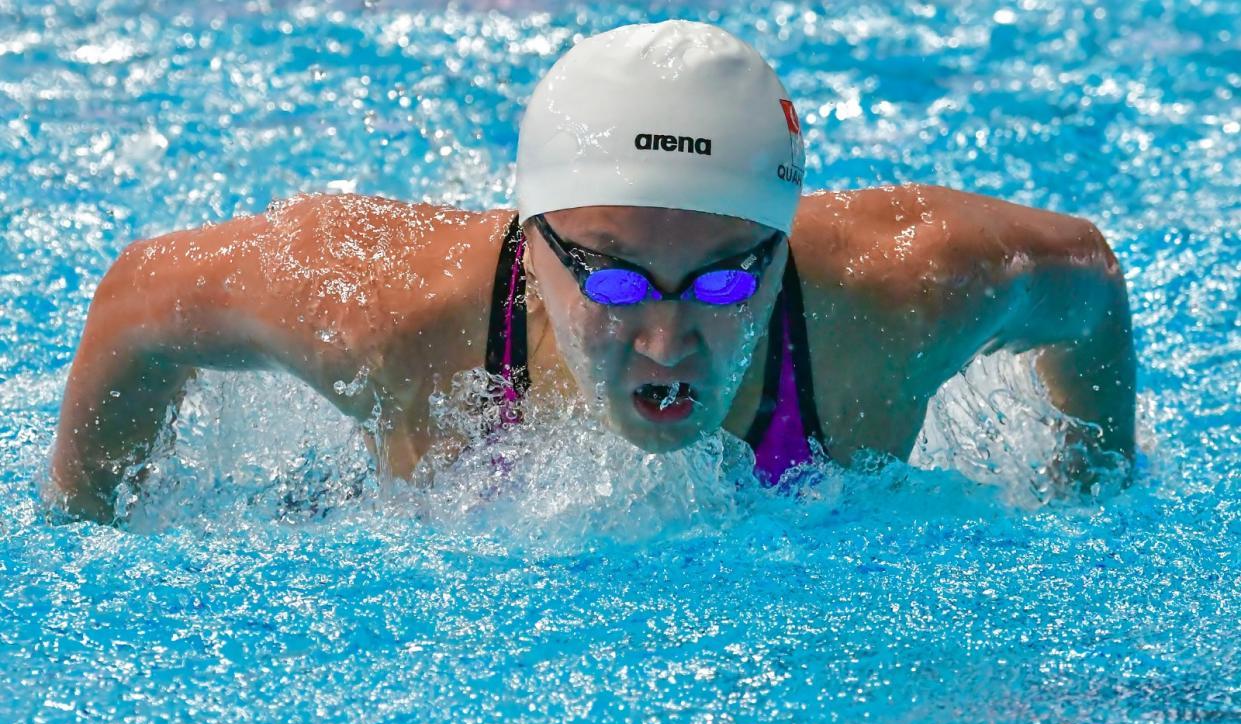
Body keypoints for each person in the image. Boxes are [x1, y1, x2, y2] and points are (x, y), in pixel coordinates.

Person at [48, 20, 1136, 523]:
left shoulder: (897, 296)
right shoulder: (389, 311)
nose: (666, 343)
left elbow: (1084, 275)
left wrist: (1092, 490)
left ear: (776, 248)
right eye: (614, 282)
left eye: (721, 283)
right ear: (530, 247)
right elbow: (137, 301)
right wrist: (89, 525)